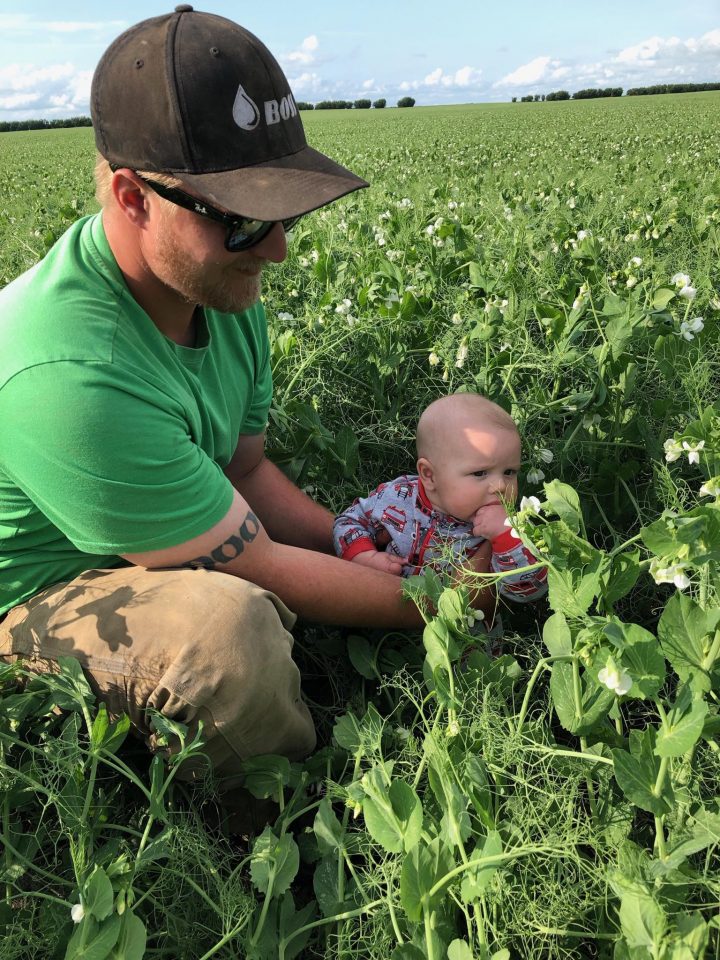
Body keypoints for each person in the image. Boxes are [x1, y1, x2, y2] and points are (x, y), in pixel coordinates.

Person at [0, 7, 495, 798]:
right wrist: (432, 600)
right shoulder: (70, 371)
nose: (277, 249)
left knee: (265, 584)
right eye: (242, 220)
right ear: (133, 197)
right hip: (35, 594)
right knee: (229, 641)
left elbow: (246, 467)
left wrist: (363, 546)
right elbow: (255, 563)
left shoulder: (218, 289)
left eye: (283, 211)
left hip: (159, 527)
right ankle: (288, 814)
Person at [333, 394, 548, 604]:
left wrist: (506, 537)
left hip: (462, 633)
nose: (501, 486)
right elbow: (349, 521)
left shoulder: (508, 526)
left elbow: (529, 590)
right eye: (480, 473)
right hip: (384, 612)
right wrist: (364, 556)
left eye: (509, 472)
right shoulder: (398, 495)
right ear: (429, 475)